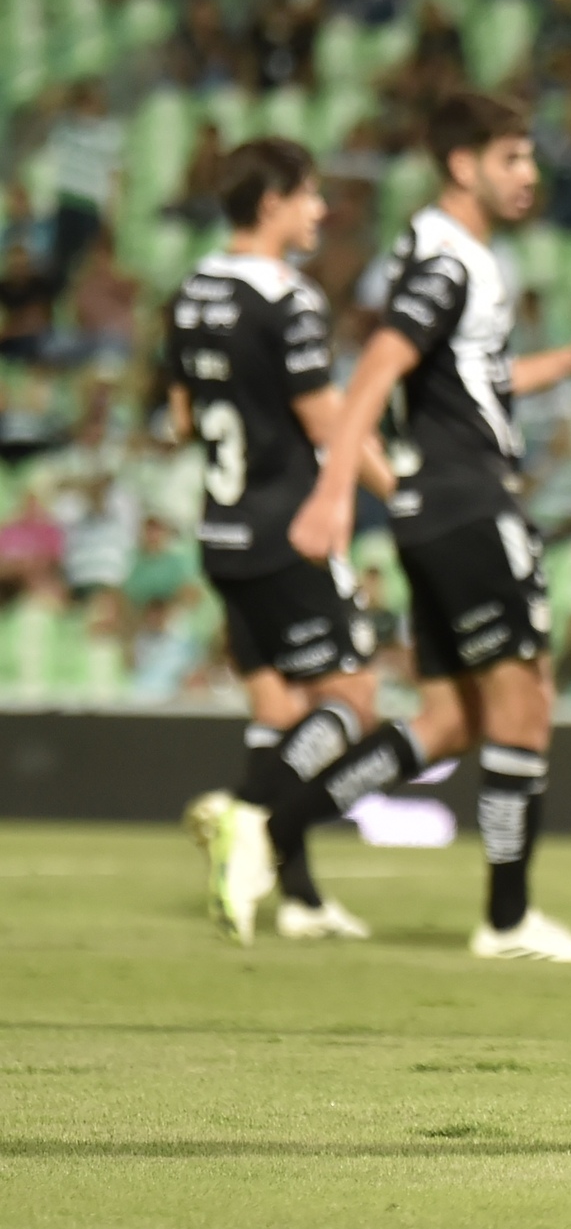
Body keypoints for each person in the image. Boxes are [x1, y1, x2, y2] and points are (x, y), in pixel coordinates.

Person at [210, 93, 571, 964]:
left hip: (432, 507)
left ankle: (278, 823)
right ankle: (509, 920)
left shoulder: (440, 250)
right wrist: (335, 490)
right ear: (462, 164)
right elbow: (378, 364)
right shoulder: (452, 260)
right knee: (525, 700)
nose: (528, 174)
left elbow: (471, 378)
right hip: (466, 500)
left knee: (447, 721)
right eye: (511, 157)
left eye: (529, 156)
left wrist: (569, 360)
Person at [171, 138, 395, 945]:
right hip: (287, 530)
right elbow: (328, 419)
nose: (320, 211)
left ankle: (297, 898)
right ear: (271, 203)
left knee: (277, 710)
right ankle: (247, 810)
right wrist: (400, 490)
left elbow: (180, 417)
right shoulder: (288, 298)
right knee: (351, 700)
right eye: (309, 195)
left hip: (221, 530)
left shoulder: (193, 290)